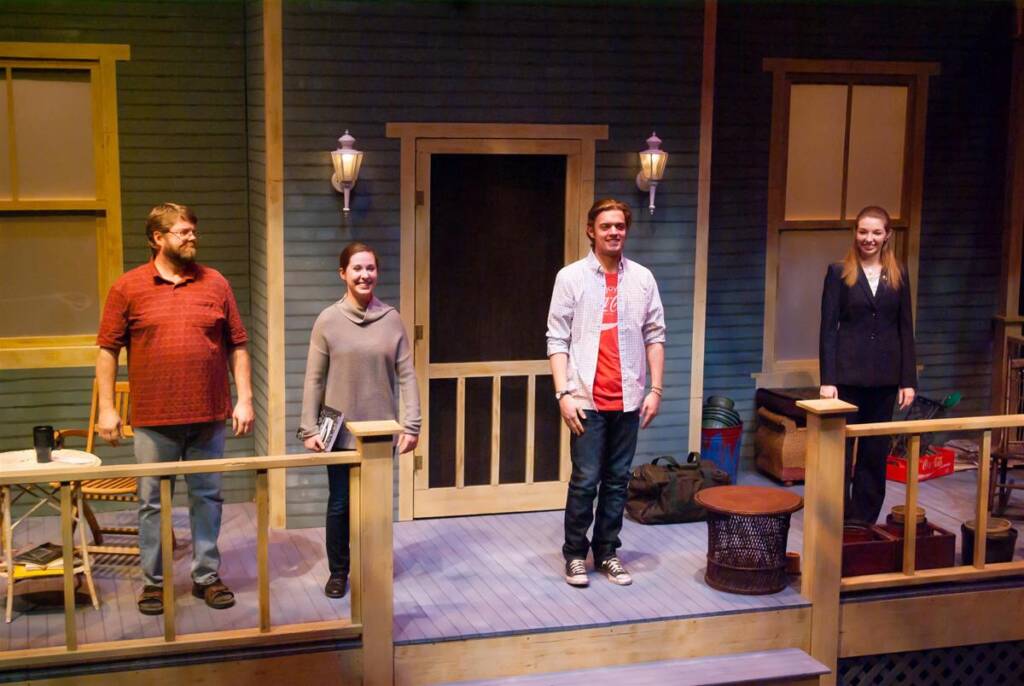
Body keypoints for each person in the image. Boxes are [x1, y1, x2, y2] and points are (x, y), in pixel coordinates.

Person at [96, 202, 254, 616]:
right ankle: (154, 582)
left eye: (192, 231)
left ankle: (205, 577)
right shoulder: (128, 288)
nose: (191, 238)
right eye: (182, 232)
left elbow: (237, 343)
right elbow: (107, 351)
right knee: (152, 502)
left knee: (207, 497)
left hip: (208, 415)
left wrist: (246, 398)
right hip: (153, 420)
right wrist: (108, 409)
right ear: (157, 238)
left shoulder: (215, 283)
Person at [546, 198, 666, 587]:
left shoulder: (643, 279)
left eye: (619, 226)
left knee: (617, 480)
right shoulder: (571, 277)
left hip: (628, 398)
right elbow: (556, 338)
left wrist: (656, 389)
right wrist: (563, 393)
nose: (614, 232)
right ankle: (575, 555)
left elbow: (655, 335)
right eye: (606, 226)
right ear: (591, 231)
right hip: (585, 398)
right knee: (585, 479)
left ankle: (608, 552)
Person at [298, 242, 421, 598]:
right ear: (343, 274)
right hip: (338, 431)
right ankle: (339, 571)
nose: (365, 275)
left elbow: (407, 375)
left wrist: (412, 425)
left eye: (370, 268)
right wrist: (309, 429)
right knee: (340, 503)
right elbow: (314, 378)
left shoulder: (391, 319)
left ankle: (374, 566)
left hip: (380, 432)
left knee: (378, 505)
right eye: (357, 269)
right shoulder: (328, 320)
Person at [819, 205, 917, 524]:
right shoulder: (839, 272)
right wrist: (828, 379)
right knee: (841, 450)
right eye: (863, 231)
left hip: (886, 379)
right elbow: (828, 328)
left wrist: (908, 381)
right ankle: (838, 514)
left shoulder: (899, 273)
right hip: (847, 378)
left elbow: (905, 329)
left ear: (887, 235)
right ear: (855, 233)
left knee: (874, 452)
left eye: (876, 232)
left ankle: (864, 517)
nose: (869, 238)